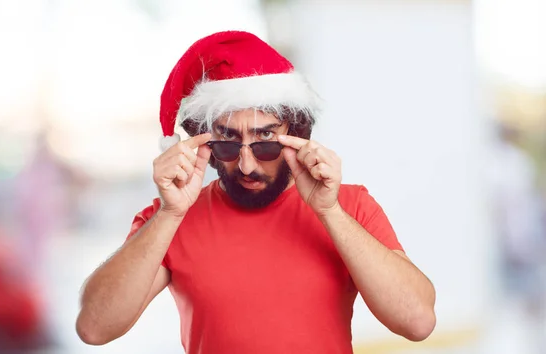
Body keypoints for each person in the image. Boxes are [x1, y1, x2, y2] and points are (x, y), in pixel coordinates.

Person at [76, 31, 436, 354]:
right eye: (228, 142)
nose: (246, 165)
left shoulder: (349, 204)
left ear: (295, 132)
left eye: (265, 139)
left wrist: (329, 213)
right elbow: (94, 328)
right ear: (204, 141)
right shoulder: (171, 217)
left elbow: (417, 323)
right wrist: (170, 214)